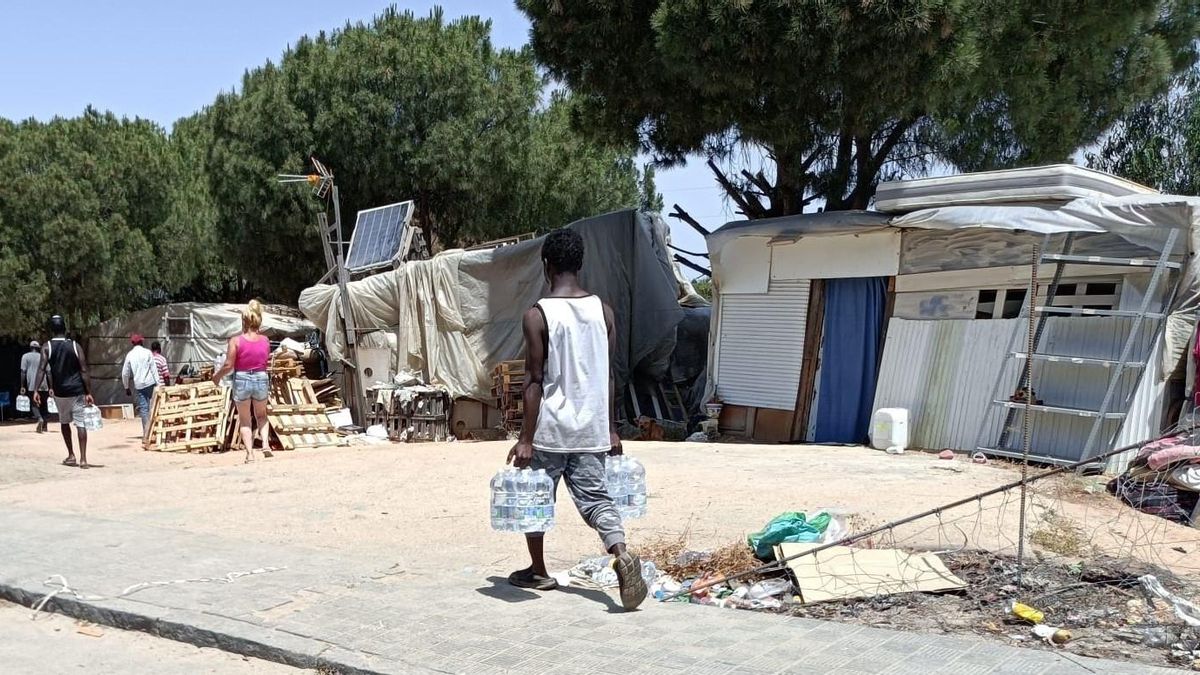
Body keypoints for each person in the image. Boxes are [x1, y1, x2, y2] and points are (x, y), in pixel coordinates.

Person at [506, 228, 648, 611]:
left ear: (546, 265)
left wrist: (525, 439)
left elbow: (534, 381)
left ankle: (538, 570)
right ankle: (621, 553)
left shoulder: (537, 315)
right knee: (597, 500)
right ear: (580, 264)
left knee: (536, 500)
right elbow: (610, 376)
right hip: (591, 430)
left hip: (551, 431)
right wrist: (612, 428)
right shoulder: (604, 313)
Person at [212, 300, 273, 463]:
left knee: (245, 420)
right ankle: (266, 444)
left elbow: (228, 365)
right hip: (260, 377)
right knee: (261, 415)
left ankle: (250, 454)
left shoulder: (235, 341)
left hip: (242, 379)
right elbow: (265, 360)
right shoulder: (265, 341)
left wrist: (217, 376)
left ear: (243, 322)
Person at [33, 315, 95, 468]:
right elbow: (84, 369)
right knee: (81, 424)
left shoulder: (47, 346)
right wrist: (88, 392)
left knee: (64, 422)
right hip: (77, 390)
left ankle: (71, 455)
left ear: (51, 330)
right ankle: (83, 459)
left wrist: (35, 390)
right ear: (64, 328)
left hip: (61, 392)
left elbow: (41, 369)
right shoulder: (75, 346)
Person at [121, 334, 163, 438]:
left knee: (144, 409)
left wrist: (126, 387)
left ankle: (146, 433)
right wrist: (159, 384)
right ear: (141, 342)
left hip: (139, 385)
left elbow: (125, 373)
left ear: (132, 343)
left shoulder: (130, 355)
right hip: (150, 383)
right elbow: (153, 369)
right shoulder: (147, 352)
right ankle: (157, 431)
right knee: (154, 406)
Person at [18, 340, 50, 432]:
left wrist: (22, 386)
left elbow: (23, 372)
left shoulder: (25, 357)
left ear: (30, 347)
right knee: (44, 404)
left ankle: (39, 418)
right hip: (44, 384)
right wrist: (51, 387)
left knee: (34, 404)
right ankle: (45, 426)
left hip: (32, 384)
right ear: (38, 348)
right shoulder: (44, 357)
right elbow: (49, 373)